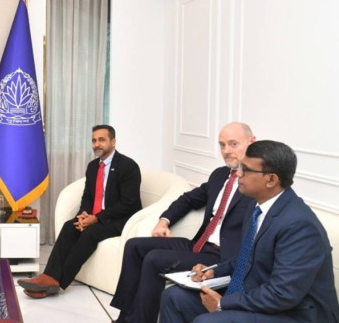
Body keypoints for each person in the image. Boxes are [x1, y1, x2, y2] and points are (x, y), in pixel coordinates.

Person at [160, 140, 339, 323]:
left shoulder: (299, 226)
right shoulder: (256, 206)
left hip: (296, 314)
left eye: (245, 170)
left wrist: (223, 303)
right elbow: (248, 258)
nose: (238, 173)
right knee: (174, 296)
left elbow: (283, 293)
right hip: (259, 297)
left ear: (271, 180)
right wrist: (213, 271)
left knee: (207, 321)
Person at [110, 122, 255, 323]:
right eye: (222, 145)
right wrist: (164, 221)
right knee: (134, 246)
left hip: (222, 256)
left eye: (233, 144)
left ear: (251, 142)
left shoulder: (256, 183)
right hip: (199, 244)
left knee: (154, 259)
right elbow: (189, 199)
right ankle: (125, 317)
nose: (226, 151)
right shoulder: (219, 175)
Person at [18, 124, 142, 299]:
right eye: (94, 140)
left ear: (113, 142)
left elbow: (128, 204)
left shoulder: (128, 166)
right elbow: (88, 197)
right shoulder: (93, 166)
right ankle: (48, 276)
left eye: (101, 140)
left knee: (90, 233)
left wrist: (96, 218)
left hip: (122, 219)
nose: (97, 144)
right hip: (97, 215)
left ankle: (57, 283)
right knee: (70, 227)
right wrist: (83, 215)